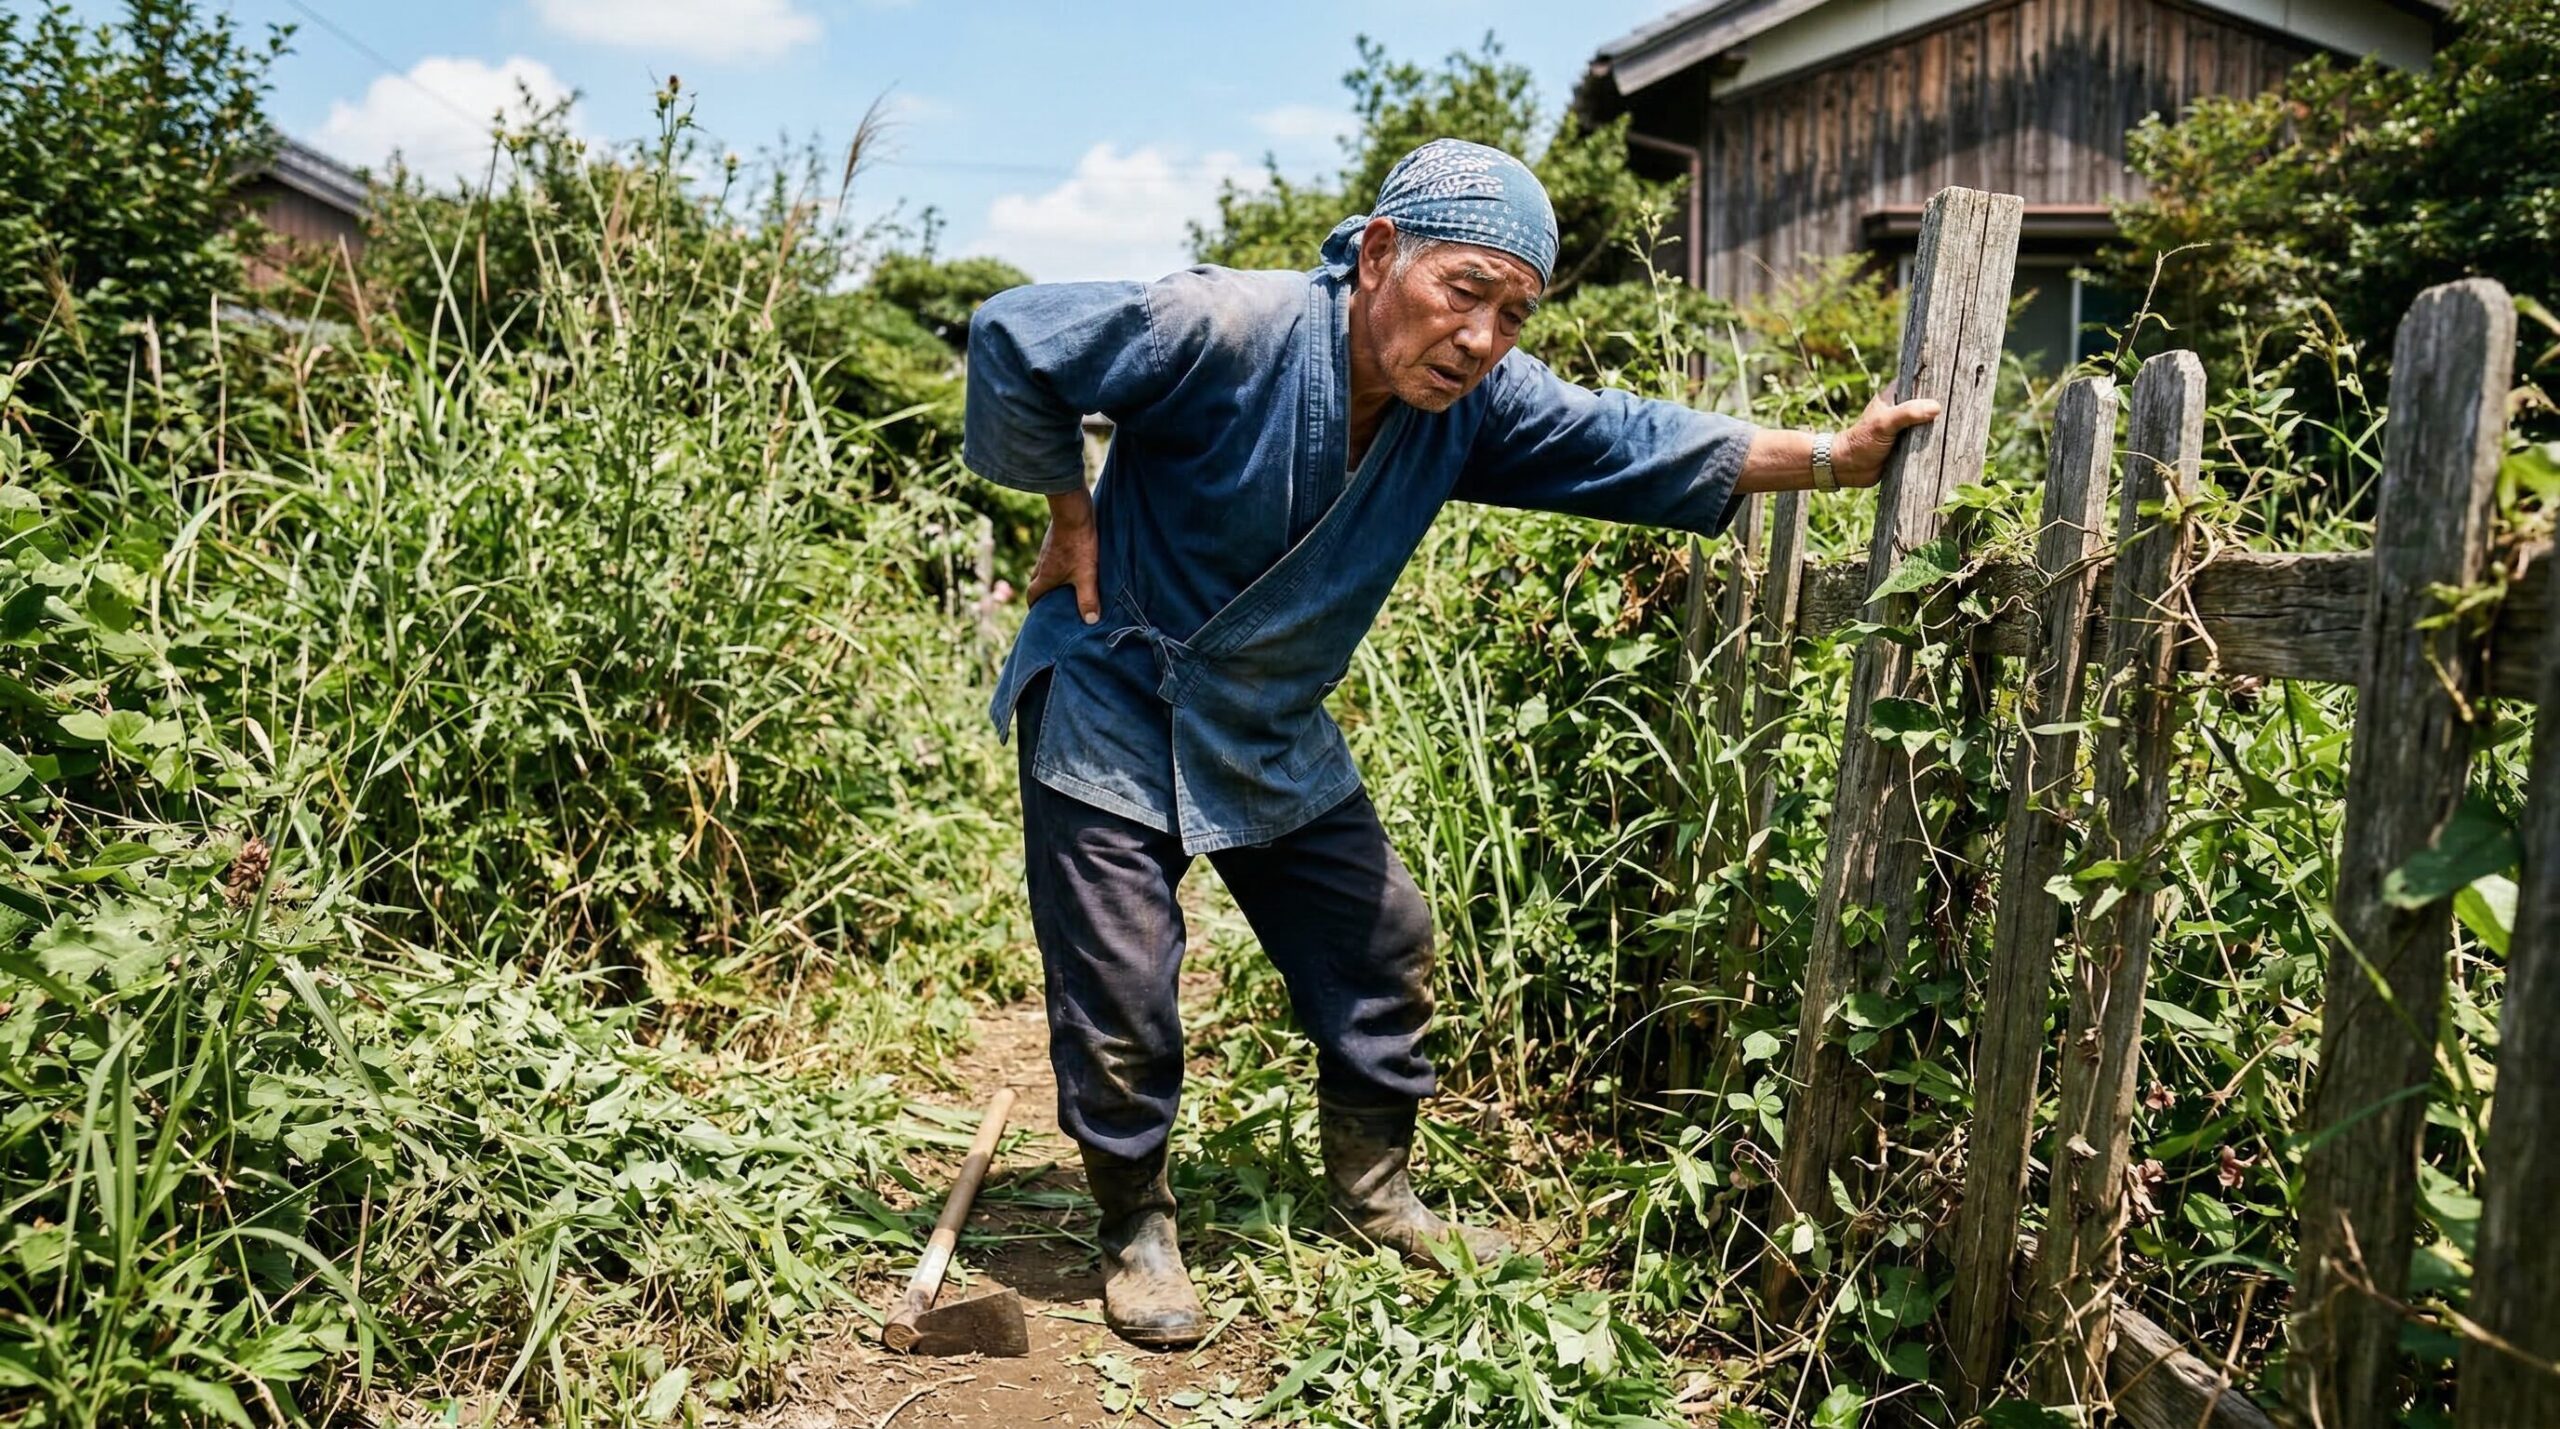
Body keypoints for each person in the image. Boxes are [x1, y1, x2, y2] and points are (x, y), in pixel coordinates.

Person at [963, 138, 1938, 1350]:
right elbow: (1017, 336)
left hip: (1264, 715)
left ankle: (1375, 1191)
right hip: (1112, 689)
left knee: (1381, 938)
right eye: (1461, 291)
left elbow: (1624, 437)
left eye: (1513, 312)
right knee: (1122, 989)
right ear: (1379, 255)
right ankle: (1134, 1224)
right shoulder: (1227, 324)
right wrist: (1070, 508)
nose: (1481, 337)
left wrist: (1836, 459)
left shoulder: (1469, 409)